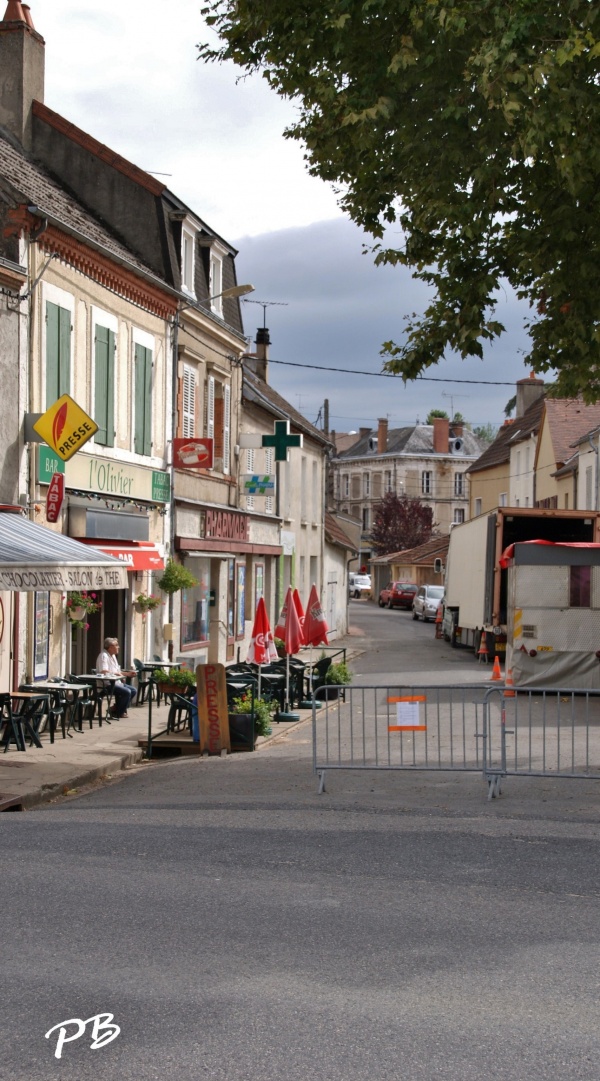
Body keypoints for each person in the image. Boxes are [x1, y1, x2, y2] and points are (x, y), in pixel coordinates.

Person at [95, 637, 137, 718]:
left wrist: (127, 674)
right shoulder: (103, 656)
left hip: (116, 683)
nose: (118, 647)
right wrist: (117, 674)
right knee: (127, 692)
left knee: (133, 690)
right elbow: (104, 671)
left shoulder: (113, 656)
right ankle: (118, 713)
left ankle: (115, 708)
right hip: (107, 685)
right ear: (110, 647)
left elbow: (118, 672)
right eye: (116, 645)